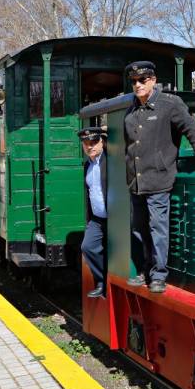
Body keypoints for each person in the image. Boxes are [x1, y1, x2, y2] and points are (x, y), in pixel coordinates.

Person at [123, 61, 195, 293]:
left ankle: (158, 275)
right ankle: (145, 269)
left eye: (142, 80)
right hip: (136, 181)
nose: (137, 85)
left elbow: (189, 126)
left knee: (158, 229)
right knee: (139, 229)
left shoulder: (168, 104)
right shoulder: (132, 109)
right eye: (134, 81)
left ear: (153, 80)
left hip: (158, 179)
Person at [79, 126, 108, 298]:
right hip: (97, 219)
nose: (90, 146)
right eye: (86, 143)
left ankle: (107, 283)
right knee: (88, 247)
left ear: (102, 142)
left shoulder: (110, 161)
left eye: (94, 142)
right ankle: (102, 281)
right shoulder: (87, 166)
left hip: (114, 217)